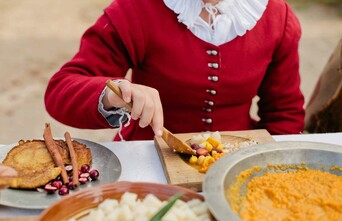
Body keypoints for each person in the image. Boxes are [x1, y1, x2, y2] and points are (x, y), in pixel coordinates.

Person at [45, 0, 305, 141]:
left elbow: (285, 113)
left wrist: (273, 169)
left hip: (238, 163)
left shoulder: (276, 17)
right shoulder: (135, 9)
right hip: (149, 159)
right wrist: (113, 93)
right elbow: (61, 90)